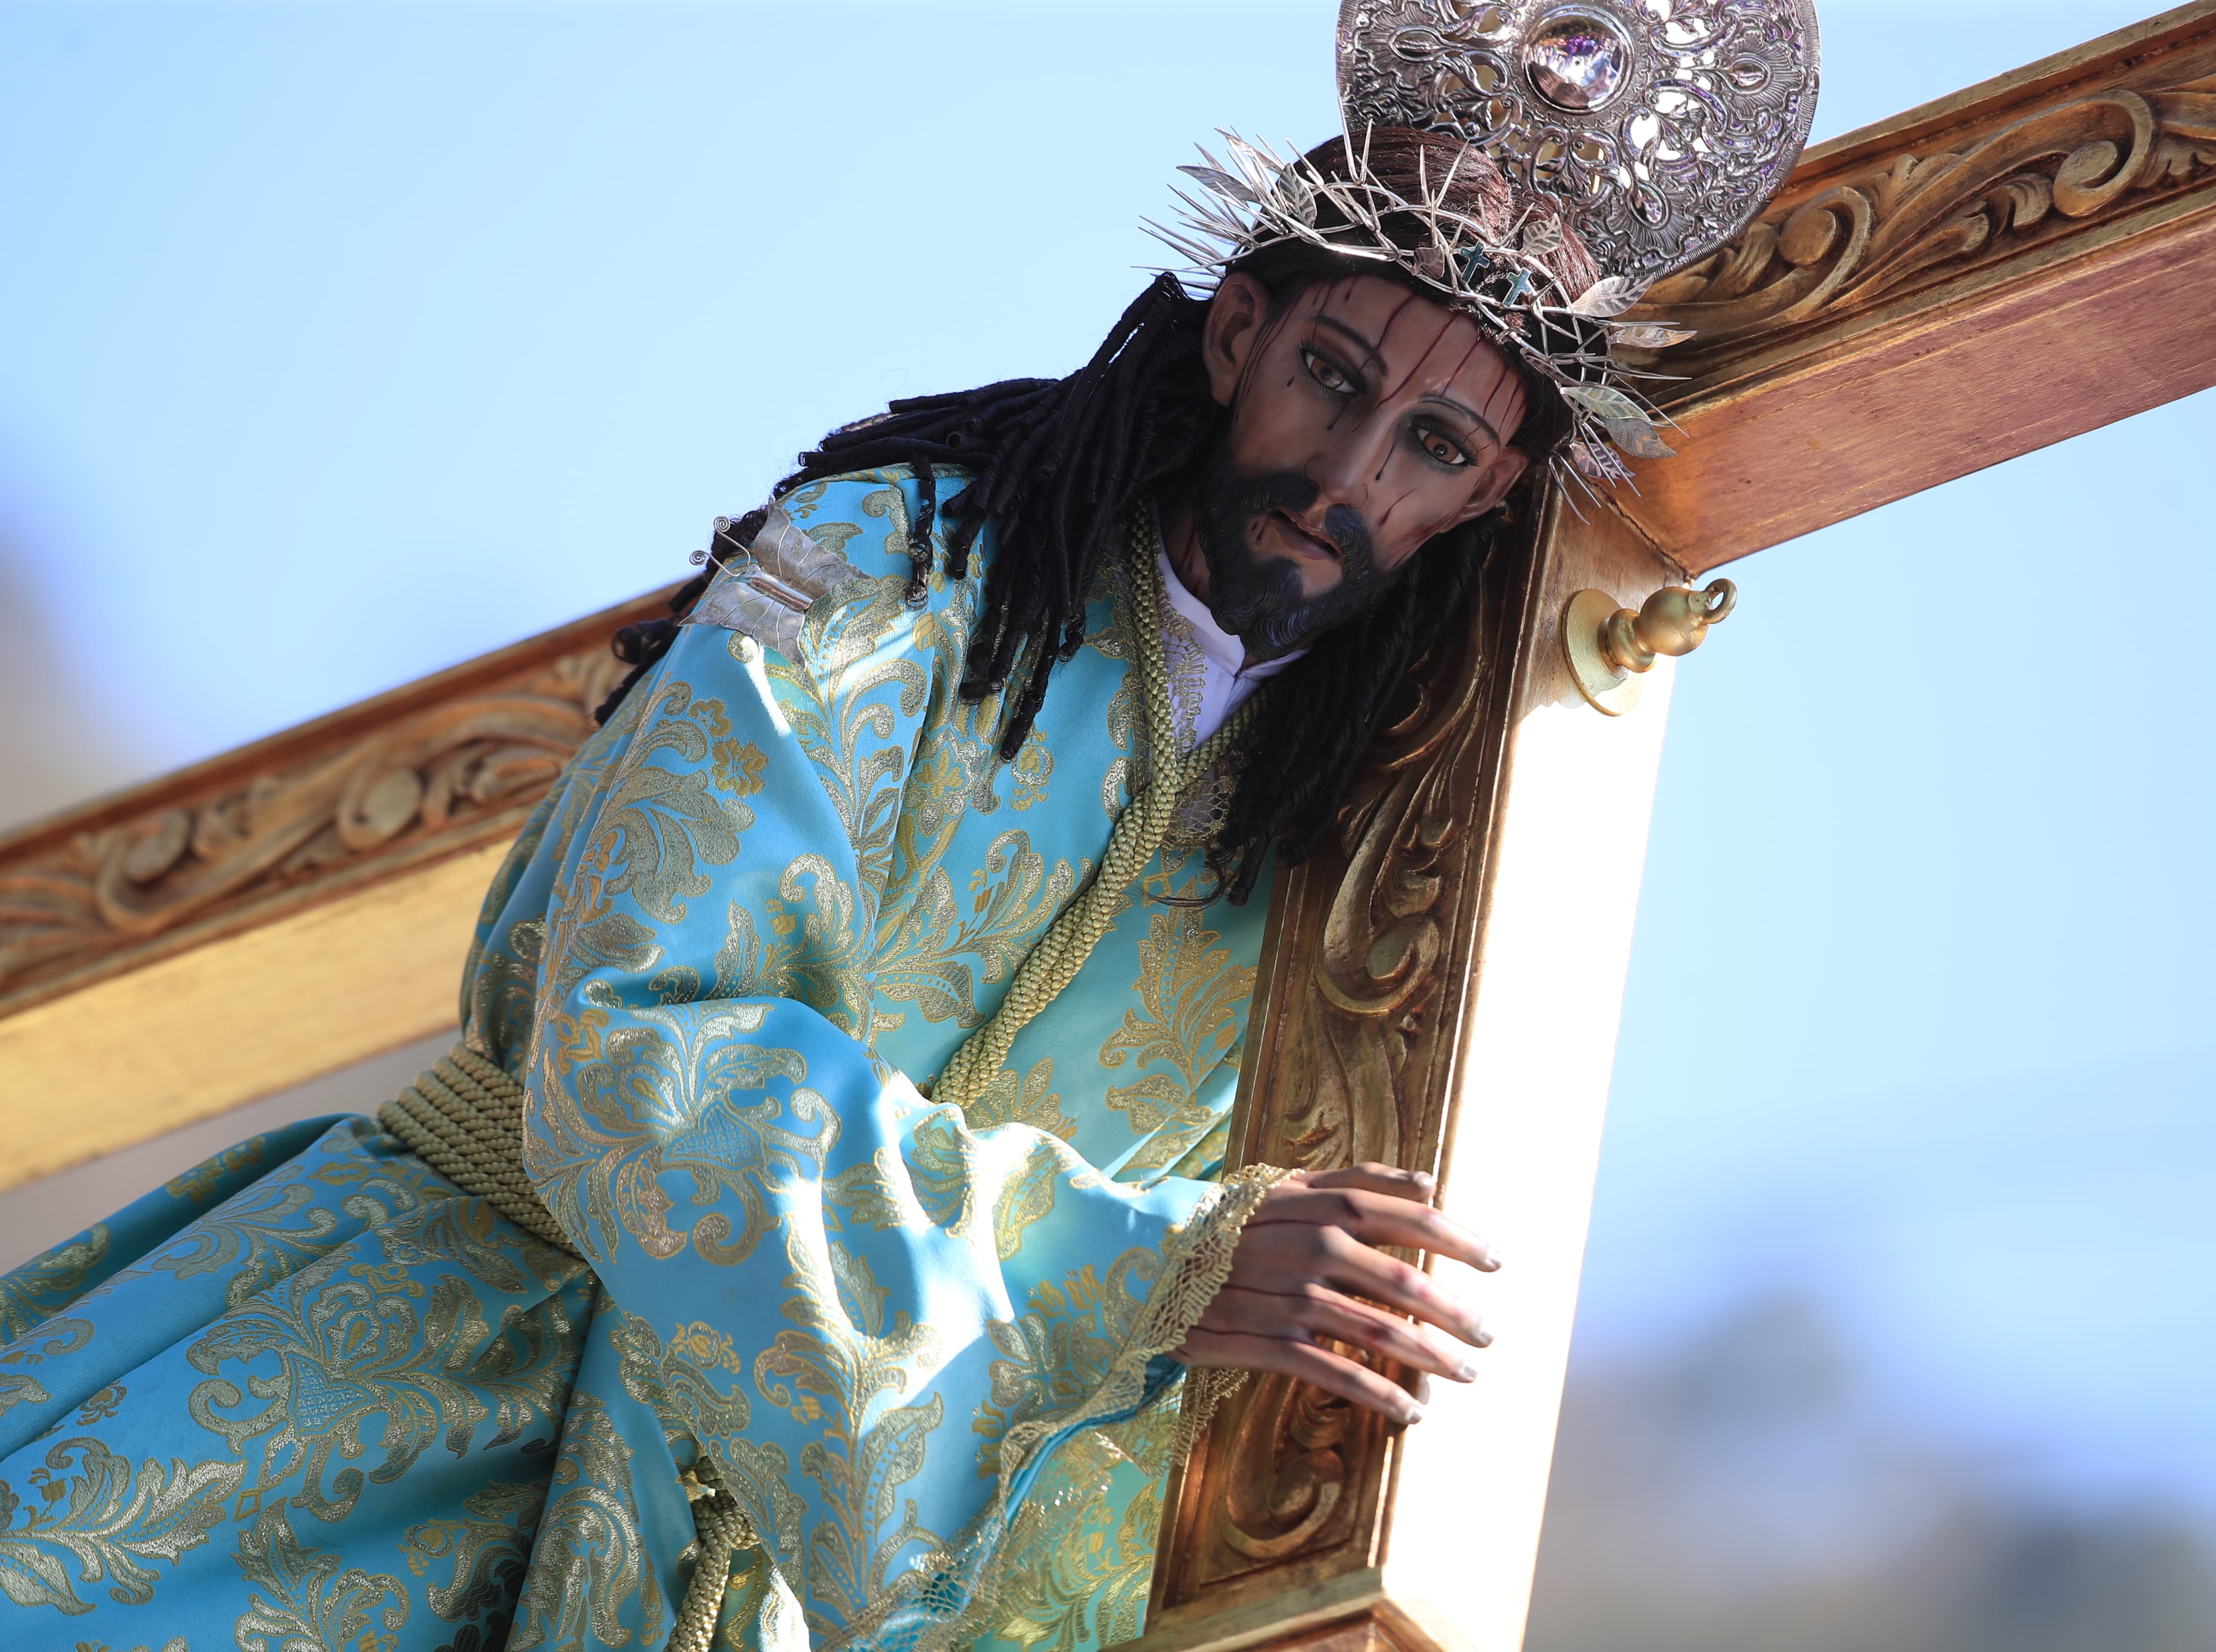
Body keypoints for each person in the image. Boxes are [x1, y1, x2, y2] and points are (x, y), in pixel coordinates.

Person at [0, 8, 1816, 1648]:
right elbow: (647, 1034)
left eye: (1430, 444)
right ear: (1238, 332)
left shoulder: (1345, 845)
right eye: (1335, 380)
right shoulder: (902, 559)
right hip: (424, 1369)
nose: (1347, 479)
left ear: (1491, 491)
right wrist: (1143, 1262)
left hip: (764, 1590)